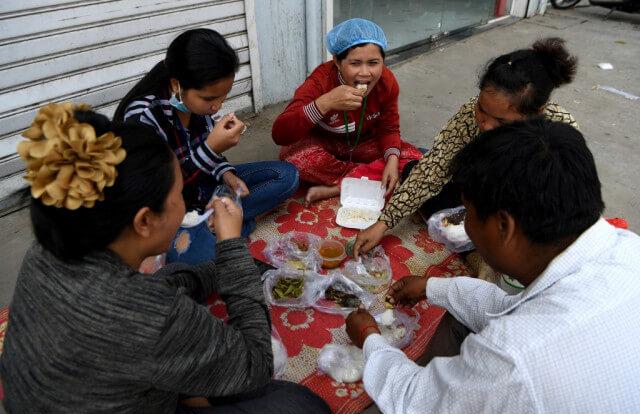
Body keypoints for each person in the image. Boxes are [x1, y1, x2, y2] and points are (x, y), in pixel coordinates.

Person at [0, 104, 333, 414]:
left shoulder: (46, 250)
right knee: (302, 409)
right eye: (178, 196)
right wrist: (231, 247)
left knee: (174, 277)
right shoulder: (148, 314)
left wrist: (224, 270)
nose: (186, 204)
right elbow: (256, 362)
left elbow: (153, 298)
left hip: (60, 400)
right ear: (144, 221)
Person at [343, 119, 640, 414]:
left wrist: (369, 338)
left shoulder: (513, 355)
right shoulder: (628, 248)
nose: (466, 224)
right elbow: (508, 306)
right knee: (461, 313)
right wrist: (432, 287)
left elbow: (413, 398)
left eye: (467, 214)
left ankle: (449, 388)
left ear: (503, 226)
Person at [354, 37, 579, 257]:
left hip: (515, 214)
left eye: (501, 122)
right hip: (472, 194)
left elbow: (555, 208)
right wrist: (384, 223)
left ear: (536, 113)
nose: (486, 125)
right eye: (482, 109)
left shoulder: (559, 135)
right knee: (416, 169)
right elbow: (434, 169)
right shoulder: (470, 113)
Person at [114, 28, 299, 264]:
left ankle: (220, 225)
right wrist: (211, 149)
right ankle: (228, 226)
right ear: (176, 85)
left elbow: (209, 153)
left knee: (288, 176)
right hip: (172, 205)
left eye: (223, 96)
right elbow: (161, 190)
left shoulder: (194, 103)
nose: (216, 107)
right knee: (201, 259)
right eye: (210, 99)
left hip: (206, 188)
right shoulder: (144, 116)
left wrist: (227, 173)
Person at [272, 18, 423, 204]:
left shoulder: (387, 82)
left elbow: (389, 128)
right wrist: (325, 103)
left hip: (363, 142)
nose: (365, 73)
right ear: (337, 61)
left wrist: (391, 160)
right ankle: (368, 175)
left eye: (374, 63)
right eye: (355, 63)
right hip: (324, 142)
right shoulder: (320, 82)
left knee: (415, 159)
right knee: (294, 158)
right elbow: (280, 134)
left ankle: (338, 186)